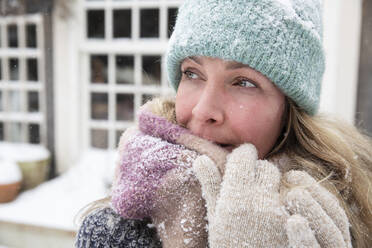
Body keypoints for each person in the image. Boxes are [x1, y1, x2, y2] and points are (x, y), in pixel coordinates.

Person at [75, 0, 372, 247]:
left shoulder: (350, 216)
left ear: (289, 108)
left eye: (243, 82)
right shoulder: (113, 232)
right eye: (192, 73)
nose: (204, 110)